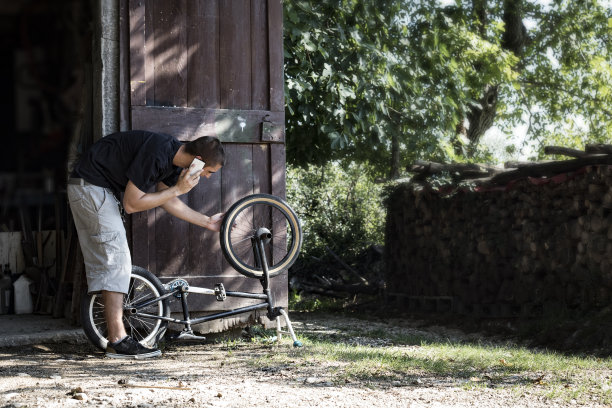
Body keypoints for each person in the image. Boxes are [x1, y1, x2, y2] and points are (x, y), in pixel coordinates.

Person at [67, 130, 225, 359]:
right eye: (209, 172)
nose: (208, 177)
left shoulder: (171, 157)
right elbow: (132, 204)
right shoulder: (158, 152)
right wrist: (178, 189)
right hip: (91, 187)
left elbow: (167, 198)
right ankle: (118, 341)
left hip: (94, 188)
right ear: (198, 161)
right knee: (116, 260)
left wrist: (206, 221)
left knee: (113, 259)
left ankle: (116, 339)